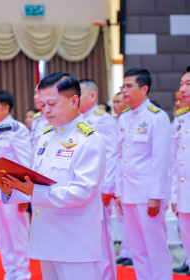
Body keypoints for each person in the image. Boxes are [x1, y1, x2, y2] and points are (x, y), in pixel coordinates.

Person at [0, 72, 106, 279]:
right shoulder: (46, 138)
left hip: (74, 243)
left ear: (74, 101)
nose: (45, 110)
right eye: (43, 105)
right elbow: (35, 185)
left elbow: (82, 191)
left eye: (52, 104)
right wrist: (11, 188)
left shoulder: (88, 139)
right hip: (46, 239)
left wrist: (34, 191)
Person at [115, 68, 172, 280]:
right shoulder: (124, 118)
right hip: (129, 194)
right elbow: (120, 158)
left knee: (155, 248)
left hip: (148, 195)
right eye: (123, 87)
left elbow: (160, 160)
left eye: (129, 86)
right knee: (137, 249)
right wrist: (119, 191)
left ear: (144, 88)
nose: (124, 91)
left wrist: (155, 195)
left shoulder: (157, 117)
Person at [0, 90, 32, 280]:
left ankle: (22, 274)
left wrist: (24, 195)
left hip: (14, 192)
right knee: (3, 238)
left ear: (6, 107)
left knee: (18, 236)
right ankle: (10, 273)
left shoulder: (17, 129)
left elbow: (25, 162)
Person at [79, 79, 118, 280]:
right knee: (88, 239)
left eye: (80, 94)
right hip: (83, 189)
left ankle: (108, 277)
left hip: (100, 189)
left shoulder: (102, 119)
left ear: (92, 96)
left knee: (102, 238)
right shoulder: (76, 120)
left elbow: (112, 154)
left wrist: (107, 187)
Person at [172, 66, 190, 275]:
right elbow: (176, 162)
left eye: (188, 84)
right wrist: (174, 194)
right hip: (185, 198)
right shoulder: (181, 118)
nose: (183, 89)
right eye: (181, 84)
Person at [112, 92, 133, 266]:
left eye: (118, 101)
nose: (115, 105)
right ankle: (127, 251)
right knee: (122, 220)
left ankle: (129, 251)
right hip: (120, 181)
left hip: (136, 182)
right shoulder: (117, 121)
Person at [31, 86, 51, 152]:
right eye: (35, 93)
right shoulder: (36, 119)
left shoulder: (56, 117)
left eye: (38, 93)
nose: (35, 97)